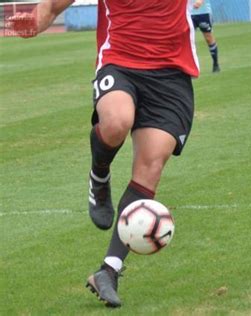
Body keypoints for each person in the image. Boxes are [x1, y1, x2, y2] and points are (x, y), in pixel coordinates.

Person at [7, 0, 199, 308]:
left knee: (151, 165)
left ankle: (108, 271)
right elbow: (53, 7)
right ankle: (99, 175)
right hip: (120, 62)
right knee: (116, 122)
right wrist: (35, 22)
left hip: (171, 73)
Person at [191, 0, 220, 73]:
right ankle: (190, 67)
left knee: (208, 38)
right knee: (188, 39)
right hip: (189, 13)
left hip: (204, 12)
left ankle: (215, 63)